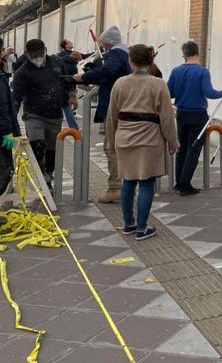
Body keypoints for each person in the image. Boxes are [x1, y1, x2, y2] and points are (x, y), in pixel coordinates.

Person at [105, 44, 178, 240]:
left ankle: (129, 223)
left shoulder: (119, 83)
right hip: (149, 137)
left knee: (128, 180)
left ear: (131, 61)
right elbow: (167, 118)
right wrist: (173, 142)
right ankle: (142, 227)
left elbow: (111, 115)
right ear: (151, 60)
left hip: (124, 136)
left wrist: (111, 140)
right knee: (146, 182)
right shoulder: (158, 84)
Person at [73, 25, 131, 203]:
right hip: (125, 107)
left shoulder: (115, 55)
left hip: (114, 107)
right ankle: (127, 185)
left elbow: (109, 70)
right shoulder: (126, 55)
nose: (103, 48)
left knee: (111, 147)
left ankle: (115, 187)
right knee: (120, 148)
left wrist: (84, 77)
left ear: (109, 43)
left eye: (104, 45)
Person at [11, 39, 76, 189]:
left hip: (54, 114)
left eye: (40, 54)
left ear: (45, 50)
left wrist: (72, 94)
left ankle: (49, 172)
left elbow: (67, 80)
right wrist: (11, 120)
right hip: (33, 115)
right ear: (27, 54)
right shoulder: (23, 72)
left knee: (52, 150)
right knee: (37, 146)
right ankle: (41, 176)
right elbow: (16, 99)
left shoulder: (57, 63)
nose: (38, 58)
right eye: (33, 55)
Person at [167, 41, 222, 197]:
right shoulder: (202, 72)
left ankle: (178, 182)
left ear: (184, 55)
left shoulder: (176, 70)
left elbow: (169, 92)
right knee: (193, 149)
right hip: (198, 115)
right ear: (197, 54)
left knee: (182, 148)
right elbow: (209, 93)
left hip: (181, 114)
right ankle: (185, 184)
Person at [0, 54, 20, 195]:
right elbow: (3, 107)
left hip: (5, 130)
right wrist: (9, 133)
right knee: (5, 170)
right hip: (3, 133)